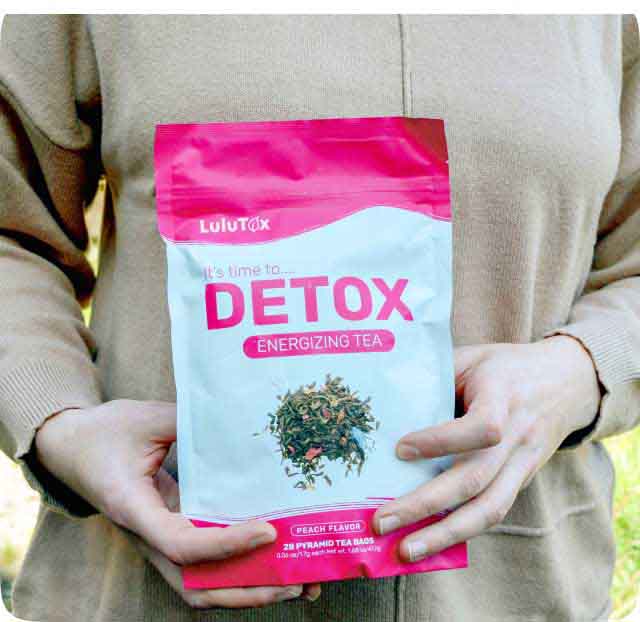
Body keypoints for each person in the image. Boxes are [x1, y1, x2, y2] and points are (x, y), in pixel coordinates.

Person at [0, 14, 638, 622]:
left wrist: (584, 368)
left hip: (518, 593)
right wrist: (57, 422)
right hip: (142, 598)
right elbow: (12, 235)